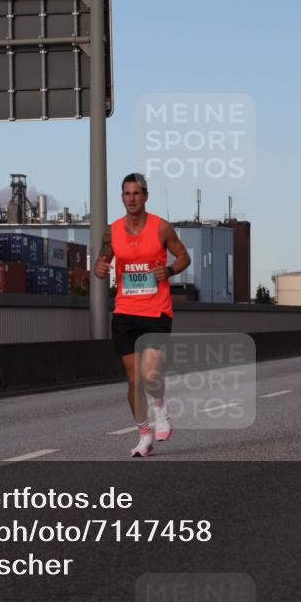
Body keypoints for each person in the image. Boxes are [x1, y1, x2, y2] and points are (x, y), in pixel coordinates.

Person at [94, 172, 191, 458]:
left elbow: (184, 256)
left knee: (150, 375)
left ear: (145, 196)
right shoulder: (112, 231)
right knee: (134, 380)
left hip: (156, 309)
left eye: (137, 193)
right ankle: (144, 435)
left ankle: (161, 408)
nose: (131, 199)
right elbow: (103, 260)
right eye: (126, 194)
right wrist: (100, 268)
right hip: (125, 310)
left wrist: (171, 270)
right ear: (122, 197)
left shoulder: (161, 228)